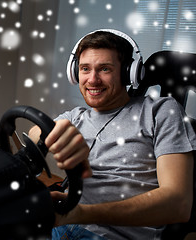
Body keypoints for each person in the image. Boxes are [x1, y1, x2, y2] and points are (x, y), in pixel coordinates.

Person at [29, 29, 196, 239]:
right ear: (74, 72)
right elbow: (36, 132)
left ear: (129, 72)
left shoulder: (160, 112)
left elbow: (178, 204)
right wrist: (51, 137)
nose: (92, 80)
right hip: (59, 224)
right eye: (85, 69)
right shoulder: (75, 117)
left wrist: (81, 215)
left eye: (105, 69)